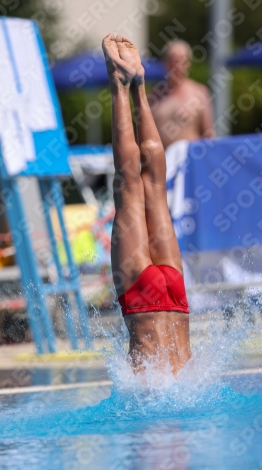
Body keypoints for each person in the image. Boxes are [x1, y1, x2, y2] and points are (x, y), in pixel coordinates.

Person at [102, 33, 191, 375]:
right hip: (144, 298)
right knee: (129, 184)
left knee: (153, 188)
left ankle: (138, 86)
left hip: (177, 295)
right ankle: (119, 83)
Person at [149, 40, 215, 150]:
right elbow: (145, 133)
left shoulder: (199, 93)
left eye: (181, 60)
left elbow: (209, 135)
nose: (176, 65)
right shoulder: (155, 94)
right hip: (163, 162)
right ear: (165, 62)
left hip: (190, 160)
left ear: (188, 64)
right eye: (172, 59)